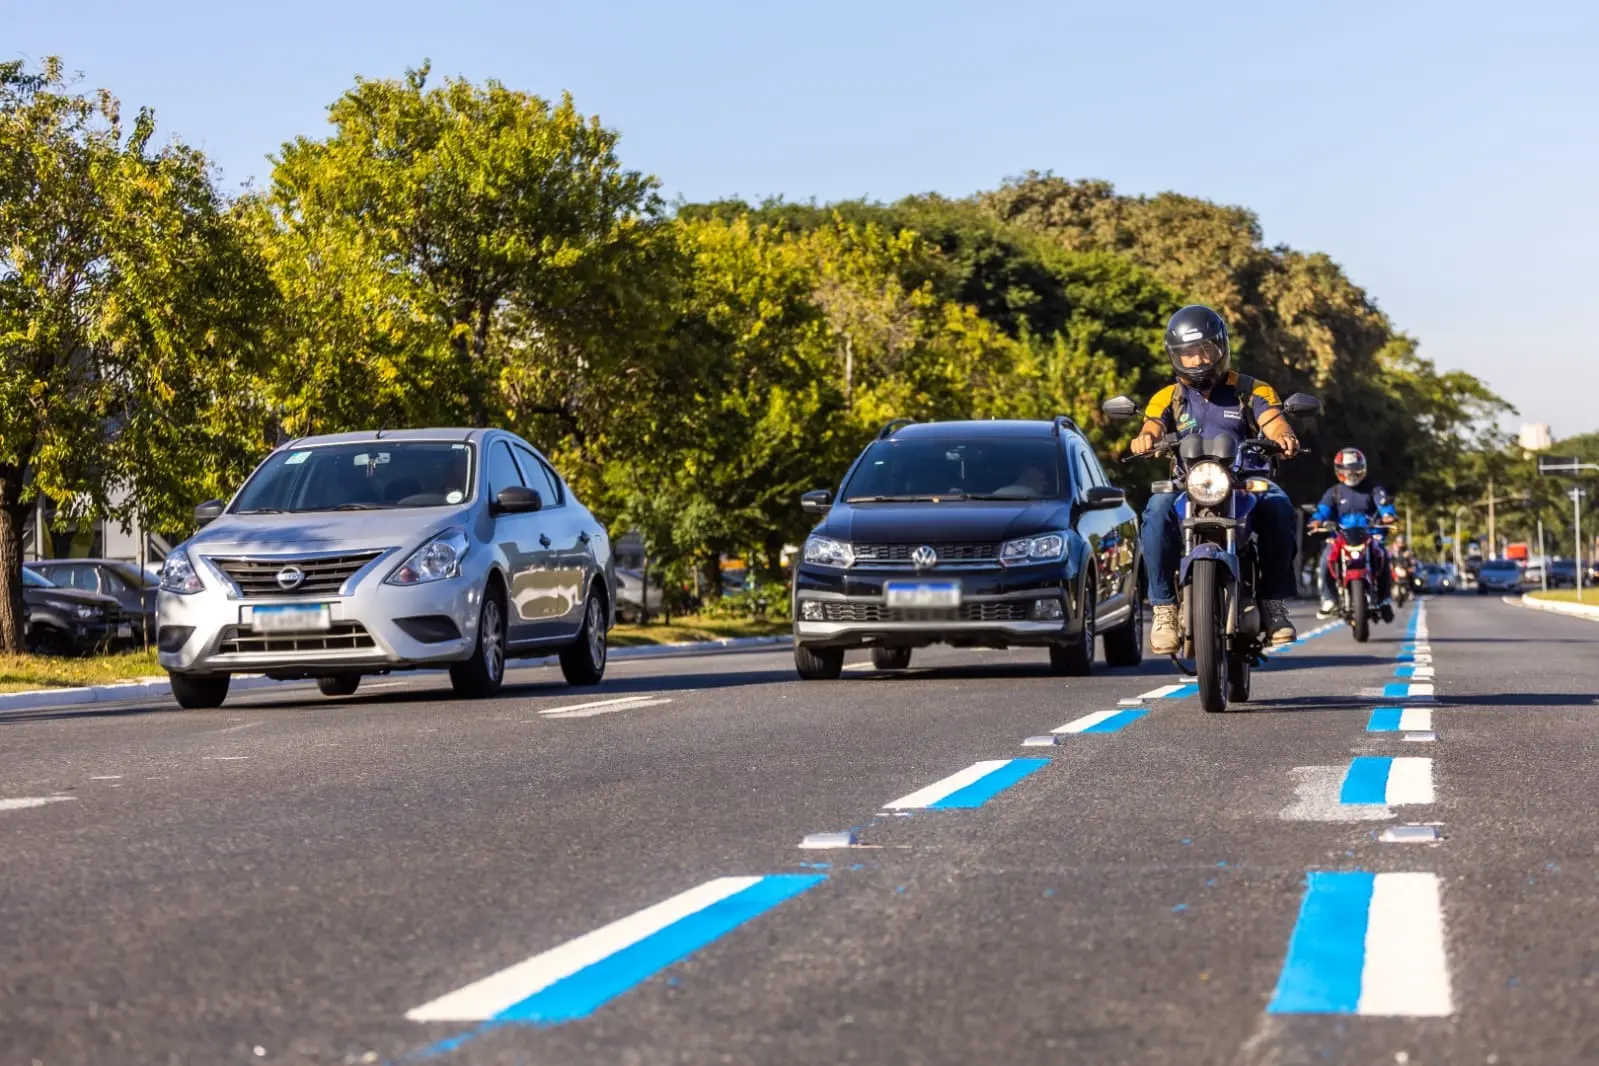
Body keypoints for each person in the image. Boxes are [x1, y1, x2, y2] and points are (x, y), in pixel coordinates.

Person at [1130, 305, 1303, 654]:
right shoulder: (1168, 397)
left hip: (1246, 480)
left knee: (1280, 508)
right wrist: (1144, 440)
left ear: (1220, 349)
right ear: (1175, 356)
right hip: (1187, 483)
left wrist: (1284, 435)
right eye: (1187, 354)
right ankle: (1164, 608)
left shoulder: (1251, 390)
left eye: (1203, 351)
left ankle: (1273, 604)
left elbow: (1273, 421)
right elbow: (1151, 427)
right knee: (1154, 512)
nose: (1196, 361)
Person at [1310, 447, 1397, 616]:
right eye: (1346, 470)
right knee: (1324, 561)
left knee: (1384, 557)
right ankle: (1329, 599)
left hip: (1369, 535)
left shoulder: (1374, 489)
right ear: (1338, 471)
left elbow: (1384, 505)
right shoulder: (1333, 492)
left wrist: (1388, 515)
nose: (1350, 474)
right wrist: (1316, 521)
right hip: (1341, 537)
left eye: (1355, 469)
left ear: (1362, 468)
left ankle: (1384, 598)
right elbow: (1322, 510)